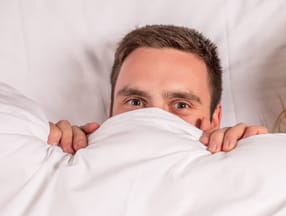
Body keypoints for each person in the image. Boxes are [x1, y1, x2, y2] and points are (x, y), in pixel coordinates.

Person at [47, 24, 266, 154]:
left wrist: (263, 152)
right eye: (135, 102)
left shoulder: (240, 166)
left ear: (214, 120)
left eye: (181, 105)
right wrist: (50, 146)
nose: (154, 118)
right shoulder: (64, 160)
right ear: (110, 111)